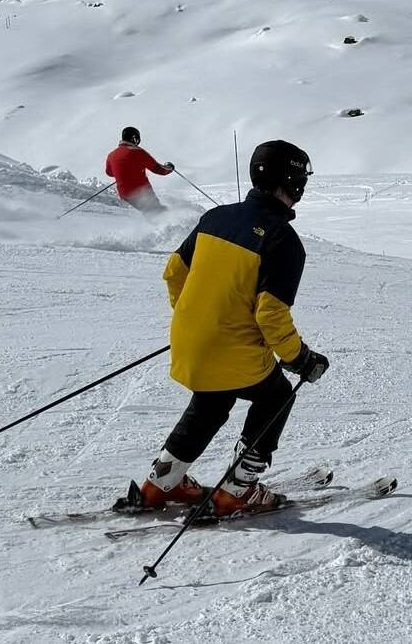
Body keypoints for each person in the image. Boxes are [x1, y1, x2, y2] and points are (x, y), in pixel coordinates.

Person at [132, 140, 329, 516]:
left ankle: (161, 483)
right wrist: (299, 358)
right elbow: (271, 315)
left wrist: (199, 315)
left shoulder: (215, 216)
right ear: (293, 180)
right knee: (276, 396)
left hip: (189, 342)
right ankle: (239, 488)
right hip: (231, 351)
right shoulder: (283, 241)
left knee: (213, 397)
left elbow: (174, 272)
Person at [104, 126, 173, 213]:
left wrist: (124, 172)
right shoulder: (138, 152)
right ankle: (176, 225)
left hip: (125, 195)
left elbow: (109, 173)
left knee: (150, 213)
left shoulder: (111, 155)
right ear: (134, 138)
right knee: (159, 211)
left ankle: (160, 225)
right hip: (141, 193)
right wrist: (170, 168)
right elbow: (159, 170)